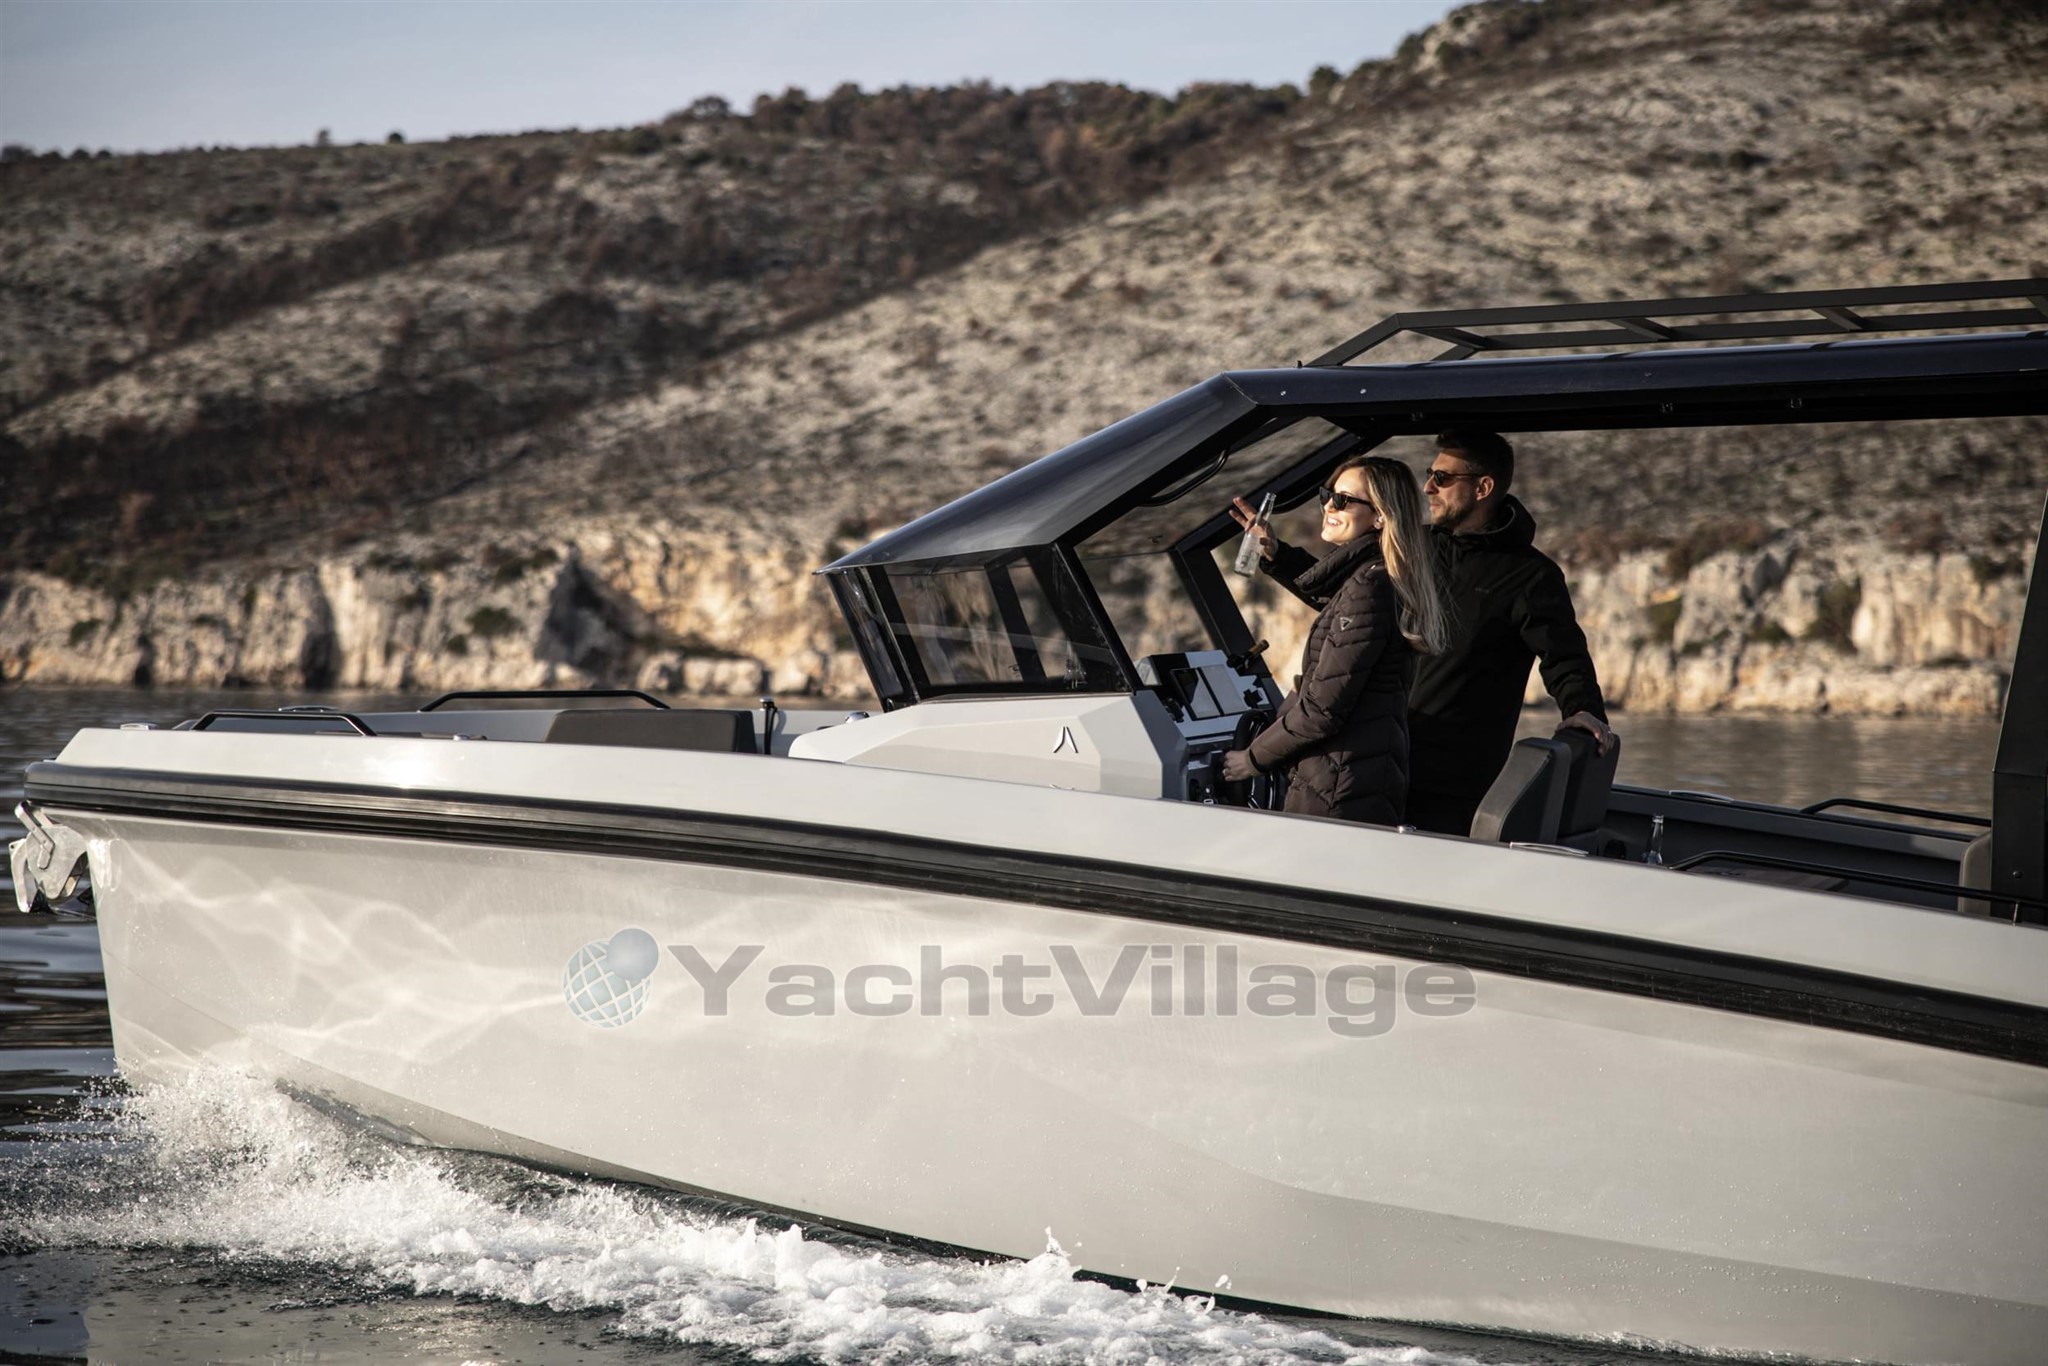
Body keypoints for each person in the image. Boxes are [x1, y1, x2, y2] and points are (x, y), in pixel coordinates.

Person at [1220, 456, 1450, 825]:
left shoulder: (1370, 586)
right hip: (1353, 777)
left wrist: (1251, 760)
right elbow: (1332, 596)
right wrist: (1275, 553)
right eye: (1327, 495)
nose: (1329, 506)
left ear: (1380, 516)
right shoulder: (1373, 576)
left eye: (1343, 500)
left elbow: (1321, 712)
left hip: (1338, 786)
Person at [1407, 430, 1611, 836]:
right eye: (1430, 474)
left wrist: (1582, 708)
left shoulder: (1531, 576)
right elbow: (1343, 596)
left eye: (1442, 478)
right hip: (1382, 768)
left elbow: (1564, 657)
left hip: (1453, 792)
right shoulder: (1414, 549)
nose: (1428, 487)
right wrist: (1278, 557)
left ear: (1483, 487)